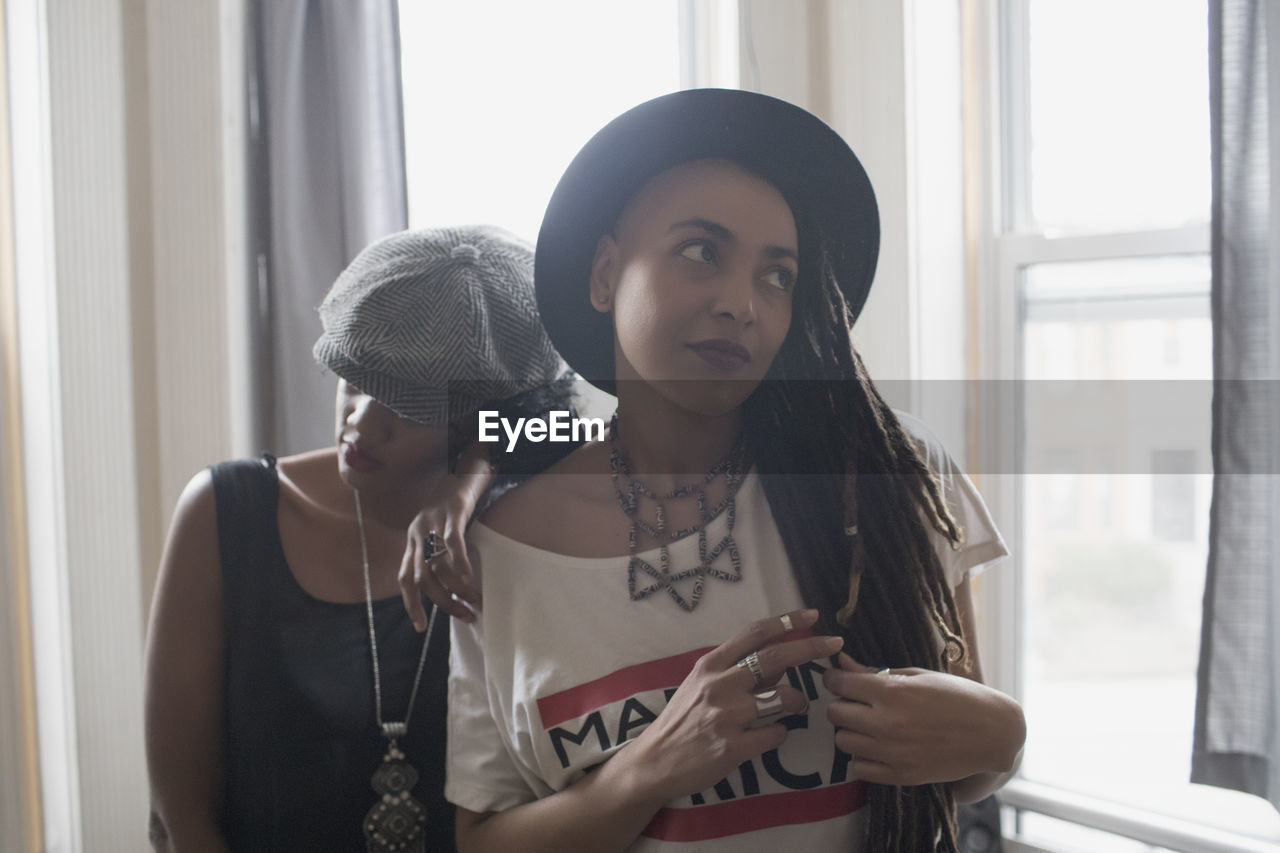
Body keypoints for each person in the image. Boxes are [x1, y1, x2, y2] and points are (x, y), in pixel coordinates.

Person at [440, 90, 1027, 852]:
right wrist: (644, 770)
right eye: (701, 251)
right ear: (606, 274)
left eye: (777, 276)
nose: (742, 304)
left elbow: (959, 760)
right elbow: (482, 841)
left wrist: (1004, 738)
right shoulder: (496, 555)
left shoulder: (878, 477)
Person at [144, 225, 574, 852]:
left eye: (409, 403)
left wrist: (467, 483)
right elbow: (179, 819)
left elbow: (578, 429)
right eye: (356, 378)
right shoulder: (227, 512)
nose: (362, 419)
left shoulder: (520, 524)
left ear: (483, 419)